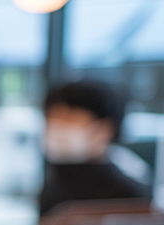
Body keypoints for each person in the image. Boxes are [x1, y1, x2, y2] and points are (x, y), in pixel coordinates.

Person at [39, 80, 151, 217]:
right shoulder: (55, 180)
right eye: (52, 118)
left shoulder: (128, 194)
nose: (56, 126)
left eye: (68, 118)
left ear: (104, 129)